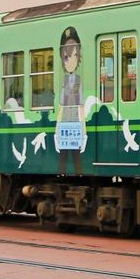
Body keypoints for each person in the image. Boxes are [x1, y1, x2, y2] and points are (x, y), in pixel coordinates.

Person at [57, 26, 84, 175]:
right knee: (63, 156)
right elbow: (61, 107)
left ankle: (78, 172)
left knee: (76, 156)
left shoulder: (78, 80)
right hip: (65, 127)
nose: (71, 60)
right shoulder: (64, 81)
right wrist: (56, 132)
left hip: (75, 126)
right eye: (67, 57)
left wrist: (84, 132)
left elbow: (81, 107)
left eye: (74, 55)